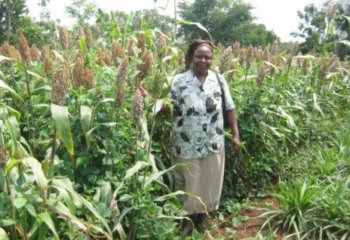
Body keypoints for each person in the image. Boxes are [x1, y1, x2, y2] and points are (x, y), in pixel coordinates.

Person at [140, 39, 240, 235]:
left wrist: (235, 134)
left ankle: (203, 216)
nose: (204, 60)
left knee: (209, 179)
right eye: (199, 56)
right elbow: (167, 105)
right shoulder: (178, 81)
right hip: (185, 142)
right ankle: (187, 220)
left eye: (208, 57)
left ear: (212, 59)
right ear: (191, 58)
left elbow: (230, 107)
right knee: (187, 182)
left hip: (213, 140)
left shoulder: (218, 79)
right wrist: (150, 100)